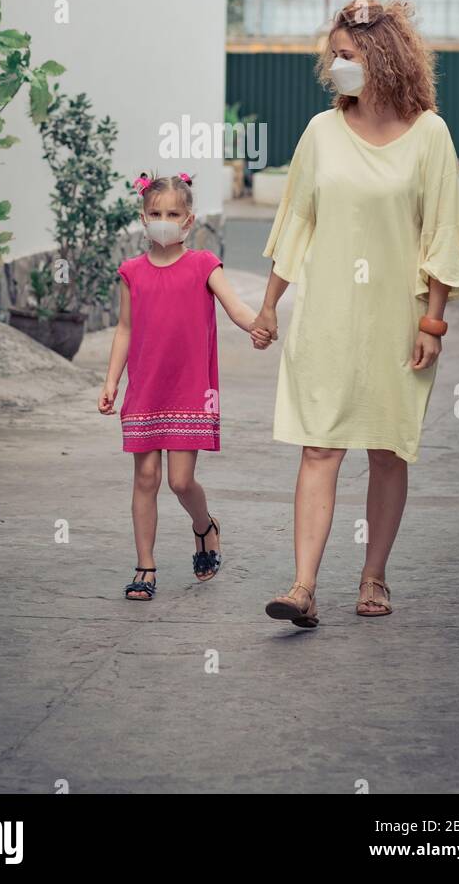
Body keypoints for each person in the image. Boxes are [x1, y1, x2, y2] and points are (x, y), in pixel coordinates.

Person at [251, 0, 459, 628]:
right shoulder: (319, 132)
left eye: (347, 55)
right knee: (320, 448)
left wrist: (433, 322)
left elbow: (441, 231)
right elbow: (295, 220)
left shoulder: (430, 134)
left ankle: (374, 576)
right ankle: (302, 587)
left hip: (398, 320)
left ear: (382, 58)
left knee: (387, 452)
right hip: (326, 313)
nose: (335, 66)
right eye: (332, 55)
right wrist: (270, 304)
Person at [98, 170, 272, 600]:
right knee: (145, 478)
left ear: (188, 221)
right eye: (155, 212)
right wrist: (111, 381)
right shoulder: (131, 273)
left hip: (189, 389)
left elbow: (233, 306)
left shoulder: (203, 265)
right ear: (143, 217)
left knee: (179, 481)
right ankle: (145, 566)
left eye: (172, 213)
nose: (163, 219)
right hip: (145, 388)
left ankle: (204, 526)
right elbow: (124, 329)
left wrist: (258, 325)